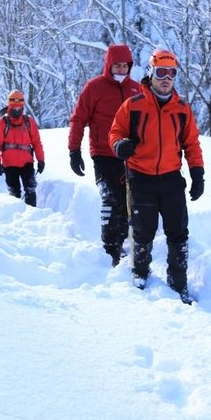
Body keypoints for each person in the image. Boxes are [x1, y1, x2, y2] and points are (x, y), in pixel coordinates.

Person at [108, 49, 205, 304]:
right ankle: (140, 272)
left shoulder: (182, 109)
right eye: (161, 72)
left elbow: (192, 143)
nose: (166, 78)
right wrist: (119, 145)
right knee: (143, 231)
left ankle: (178, 280)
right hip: (141, 178)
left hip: (172, 178)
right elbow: (115, 132)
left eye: (171, 73)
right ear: (151, 73)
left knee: (178, 233)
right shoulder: (134, 105)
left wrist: (197, 173)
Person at [68, 44, 141, 266]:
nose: (121, 69)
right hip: (103, 153)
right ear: (109, 65)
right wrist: (74, 150)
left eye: (125, 65)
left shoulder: (136, 90)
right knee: (111, 198)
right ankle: (109, 251)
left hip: (130, 156)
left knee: (128, 202)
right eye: (117, 65)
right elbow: (79, 118)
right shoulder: (94, 88)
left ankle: (121, 245)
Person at [0, 90, 45, 205]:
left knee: (30, 190)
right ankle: (16, 219)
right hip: (9, 165)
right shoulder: (1, 123)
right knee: (14, 194)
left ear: (22, 106)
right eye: (14, 107)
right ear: (9, 106)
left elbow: (37, 142)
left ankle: (32, 216)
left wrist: (41, 160)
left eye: (19, 107)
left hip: (27, 163)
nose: (17, 109)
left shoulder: (29, 122)